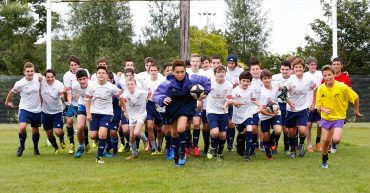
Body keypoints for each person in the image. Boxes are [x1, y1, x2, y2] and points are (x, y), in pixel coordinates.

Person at [154, 59, 211, 167]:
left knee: (181, 128)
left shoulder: (192, 78)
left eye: (182, 72)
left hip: (187, 105)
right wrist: (163, 99)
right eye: (177, 72)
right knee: (174, 133)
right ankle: (176, 157)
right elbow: (157, 94)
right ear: (173, 72)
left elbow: (206, 81)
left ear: (186, 71)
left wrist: (206, 92)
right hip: (173, 106)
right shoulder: (168, 83)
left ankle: (183, 152)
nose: (180, 74)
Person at [316, 65, 362, 168]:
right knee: (325, 141)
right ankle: (324, 161)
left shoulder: (342, 87)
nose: (327, 77)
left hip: (339, 118)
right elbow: (318, 105)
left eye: (329, 75)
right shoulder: (321, 88)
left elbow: (356, 97)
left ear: (333, 75)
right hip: (326, 118)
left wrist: (356, 111)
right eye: (325, 75)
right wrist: (323, 109)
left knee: (336, 139)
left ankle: (334, 142)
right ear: (323, 76)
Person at [84, 66, 127, 164]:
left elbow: (121, 98)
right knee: (93, 135)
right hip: (94, 113)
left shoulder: (111, 87)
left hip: (107, 113)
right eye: (99, 73)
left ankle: (99, 157)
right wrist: (88, 113)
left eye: (103, 73)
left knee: (102, 134)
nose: (101, 75)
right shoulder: (91, 86)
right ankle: (104, 144)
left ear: (106, 75)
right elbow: (87, 100)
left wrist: (125, 111)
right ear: (96, 75)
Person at [5, 62, 42, 157]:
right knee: (22, 127)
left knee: (35, 130)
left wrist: (39, 74)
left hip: (37, 109)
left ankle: (35, 148)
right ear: (24, 72)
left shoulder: (38, 78)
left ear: (34, 71)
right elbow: (11, 92)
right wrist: (7, 101)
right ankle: (22, 146)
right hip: (24, 108)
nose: (30, 73)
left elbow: (41, 75)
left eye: (32, 71)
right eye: (28, 71)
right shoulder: (20, 83)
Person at [285, 58, 317, 158]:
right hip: (291, 110)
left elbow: (315, 89)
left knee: (302, 130)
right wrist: (290, 103)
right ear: (293, 69)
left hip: (304, 109)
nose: (298, 69)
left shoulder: (309, 79)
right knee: (291, 133)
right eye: (296, 67)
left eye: (300, 67)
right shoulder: (290, 81)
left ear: (303, 68)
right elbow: (282, 94)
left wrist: (313, 104)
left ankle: (301, 145)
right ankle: (293, 149)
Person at [228, 71, 259, 161]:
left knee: (249, 128)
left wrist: (261, 106)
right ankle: (239, 144)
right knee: (241, 132)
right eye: (243, 81)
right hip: (238, 115)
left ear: (250, 82)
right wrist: (235, 102)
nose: (245, 83)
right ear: (240, 81)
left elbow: (254, 100)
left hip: (248, 113)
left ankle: (247, 154)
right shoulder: (236, 90)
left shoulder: (251, 90)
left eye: (247, 81)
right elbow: (230, 100)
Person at [63, 55, 90, 154]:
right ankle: (72, 144)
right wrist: (69, 103)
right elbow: (68, 91)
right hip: (72, 102)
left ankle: (86, 142)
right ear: (69, 66)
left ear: (79, 65)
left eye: (75, 65)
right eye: (72, 65)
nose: (74, 67)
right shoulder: (66, 76)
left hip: (82, 102)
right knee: (69, 122)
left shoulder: (85, 71)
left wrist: (81, 95)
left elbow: (88, 85)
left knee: (82, 125)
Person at [206, 66, 233, 161]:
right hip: (211, 111)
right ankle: (212, 147)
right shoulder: (209, 83)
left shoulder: (229, 85)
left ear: (225, 74)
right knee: (215, 132)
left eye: (223, 72)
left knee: (222, 135)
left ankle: (219, 153)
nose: (221, 74)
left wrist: (225, 105)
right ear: (215, 74)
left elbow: (229, 98)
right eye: (218, 72)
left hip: (223, 112)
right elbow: (202, 92)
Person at [40, 69, 68, 154]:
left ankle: (62, 139)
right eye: (48, 77)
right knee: (49, 133)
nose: (50, 79)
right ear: (45, 77)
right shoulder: (42, 82)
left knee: (58, 132)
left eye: (52, 77)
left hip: (57, 112)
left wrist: (65, 94)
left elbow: (63, 97)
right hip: (45, 112)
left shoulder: (59, 84)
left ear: (54, 77)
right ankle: (56, 148)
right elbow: (36, 75)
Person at [71, 70, 97, 158]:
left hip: (93, 105)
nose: (82, 81)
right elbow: (74, 95)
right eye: (80, 79)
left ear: (88, 78)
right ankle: (81, 146)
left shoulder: (93, 85)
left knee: (94, 134)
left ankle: (99, 142)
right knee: (80, 127)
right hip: (82, 104)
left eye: (84, 79)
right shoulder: (75, 86)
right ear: (77, 80)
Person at [122, 77, 149, 160]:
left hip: (141, 114)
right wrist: (125, 112)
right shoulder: (125, 94)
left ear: (135, 85)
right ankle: (134, 154)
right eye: (128, 84)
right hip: (131, 116)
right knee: (131, 137)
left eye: (132, 84)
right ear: (126, 86)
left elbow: (150, 93)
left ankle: (146, 140)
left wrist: (148, 98)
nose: (130, 86)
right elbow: (122, 101)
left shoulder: (141, 92)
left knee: (136, 133)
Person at [259, 70, 282, 160]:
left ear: (271, 78)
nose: (267, 80)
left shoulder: (275, 84)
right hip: (265, 115)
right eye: (265, 78)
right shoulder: (263, 94)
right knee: (266, 136)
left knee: (278, 131)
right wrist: (271, 114)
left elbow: (283, 89)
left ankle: (272, 140)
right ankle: (268, 153)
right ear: (262, 80)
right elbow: (262, 110)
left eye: (269, 78)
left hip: (276, 112)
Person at [186, 53, 204, 157]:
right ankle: (188, 145)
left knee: (196, 124)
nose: (195, 63)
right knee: (187, 125)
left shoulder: (203, 74)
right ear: (190, 62)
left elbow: (206, 88)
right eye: (193, 61)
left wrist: (201, 100)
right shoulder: (186, 73)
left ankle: (195, 146)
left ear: (200, 63)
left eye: (197, 61)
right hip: (187, 102)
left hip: (198, 101)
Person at [272, 60, 291, 155]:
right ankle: (274, 145)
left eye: (287, 69)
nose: (284, 71)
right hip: (277, 105)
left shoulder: (293, 79)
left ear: (290, 70)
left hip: (288, 106)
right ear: (280, 69)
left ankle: (287, 148)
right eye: (283, 69)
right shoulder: (275, 78)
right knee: (278, 129)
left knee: (286, 129)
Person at [225, 54, 244, 152]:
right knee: (228, 123)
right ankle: (228, 142)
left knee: (232, 123)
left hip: (237, 99)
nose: (231, 65)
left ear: (236, 63)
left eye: (232, 63)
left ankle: (230, 144)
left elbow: (245, 81)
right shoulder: (224, 70)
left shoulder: (240, 71)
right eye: (229, 63)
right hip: (227, 98)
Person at [304, 57, 323, 153]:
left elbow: (332, 73)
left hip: (319, 103)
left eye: (315, 64)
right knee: (308, 125)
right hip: (307, 104)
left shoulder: (320, 73)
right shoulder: (304, 75)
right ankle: (309, 145)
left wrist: (344, 73)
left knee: (320, 124)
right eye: (311, 64)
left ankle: (318, 142)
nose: (313, 66)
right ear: (307, 65)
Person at [249, 57, 263, 154]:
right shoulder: (248, 80)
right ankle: (254, 144)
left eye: (257, 69)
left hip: (263, 107)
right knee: (254, 127)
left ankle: (262, 144)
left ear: (260, 69)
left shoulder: (265, 78)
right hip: (252, 107)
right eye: (253, 69)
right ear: (250, 71)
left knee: (262, 126)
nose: (255, 71)